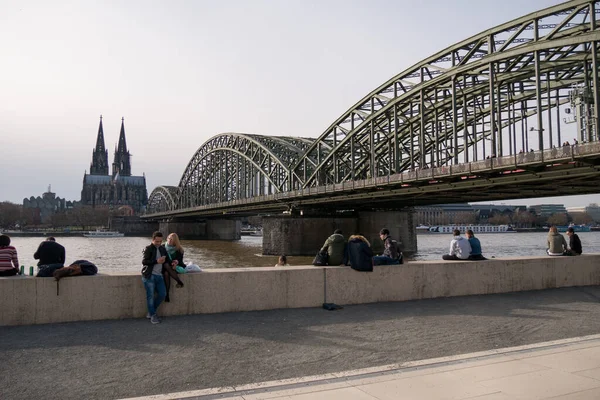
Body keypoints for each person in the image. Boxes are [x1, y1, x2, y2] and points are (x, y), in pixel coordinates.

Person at [141, 231, 169, 324]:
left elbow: (167, 260)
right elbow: (144, 262)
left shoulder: (162, 249)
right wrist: (157, 261)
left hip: (159, 275)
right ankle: (153, 316)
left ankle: (151, 312)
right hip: (149, 275)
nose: (159, 243)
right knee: (150, 296)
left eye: (160, 241)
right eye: (157, 241)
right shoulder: (148, 248)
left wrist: (173, 263)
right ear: (153, 240)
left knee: (162, 294)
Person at [163, 233, 185, 302]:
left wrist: (176, 262)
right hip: (165, 265)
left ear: (175, 241)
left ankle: (167, 295)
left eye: (172, 239)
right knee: (166, 267)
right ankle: (179, 282)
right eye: (169, 238)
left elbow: (180, 260)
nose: (169, 240)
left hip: (175, 267)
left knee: (167, 272)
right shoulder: (163, 247)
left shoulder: (179, 249)